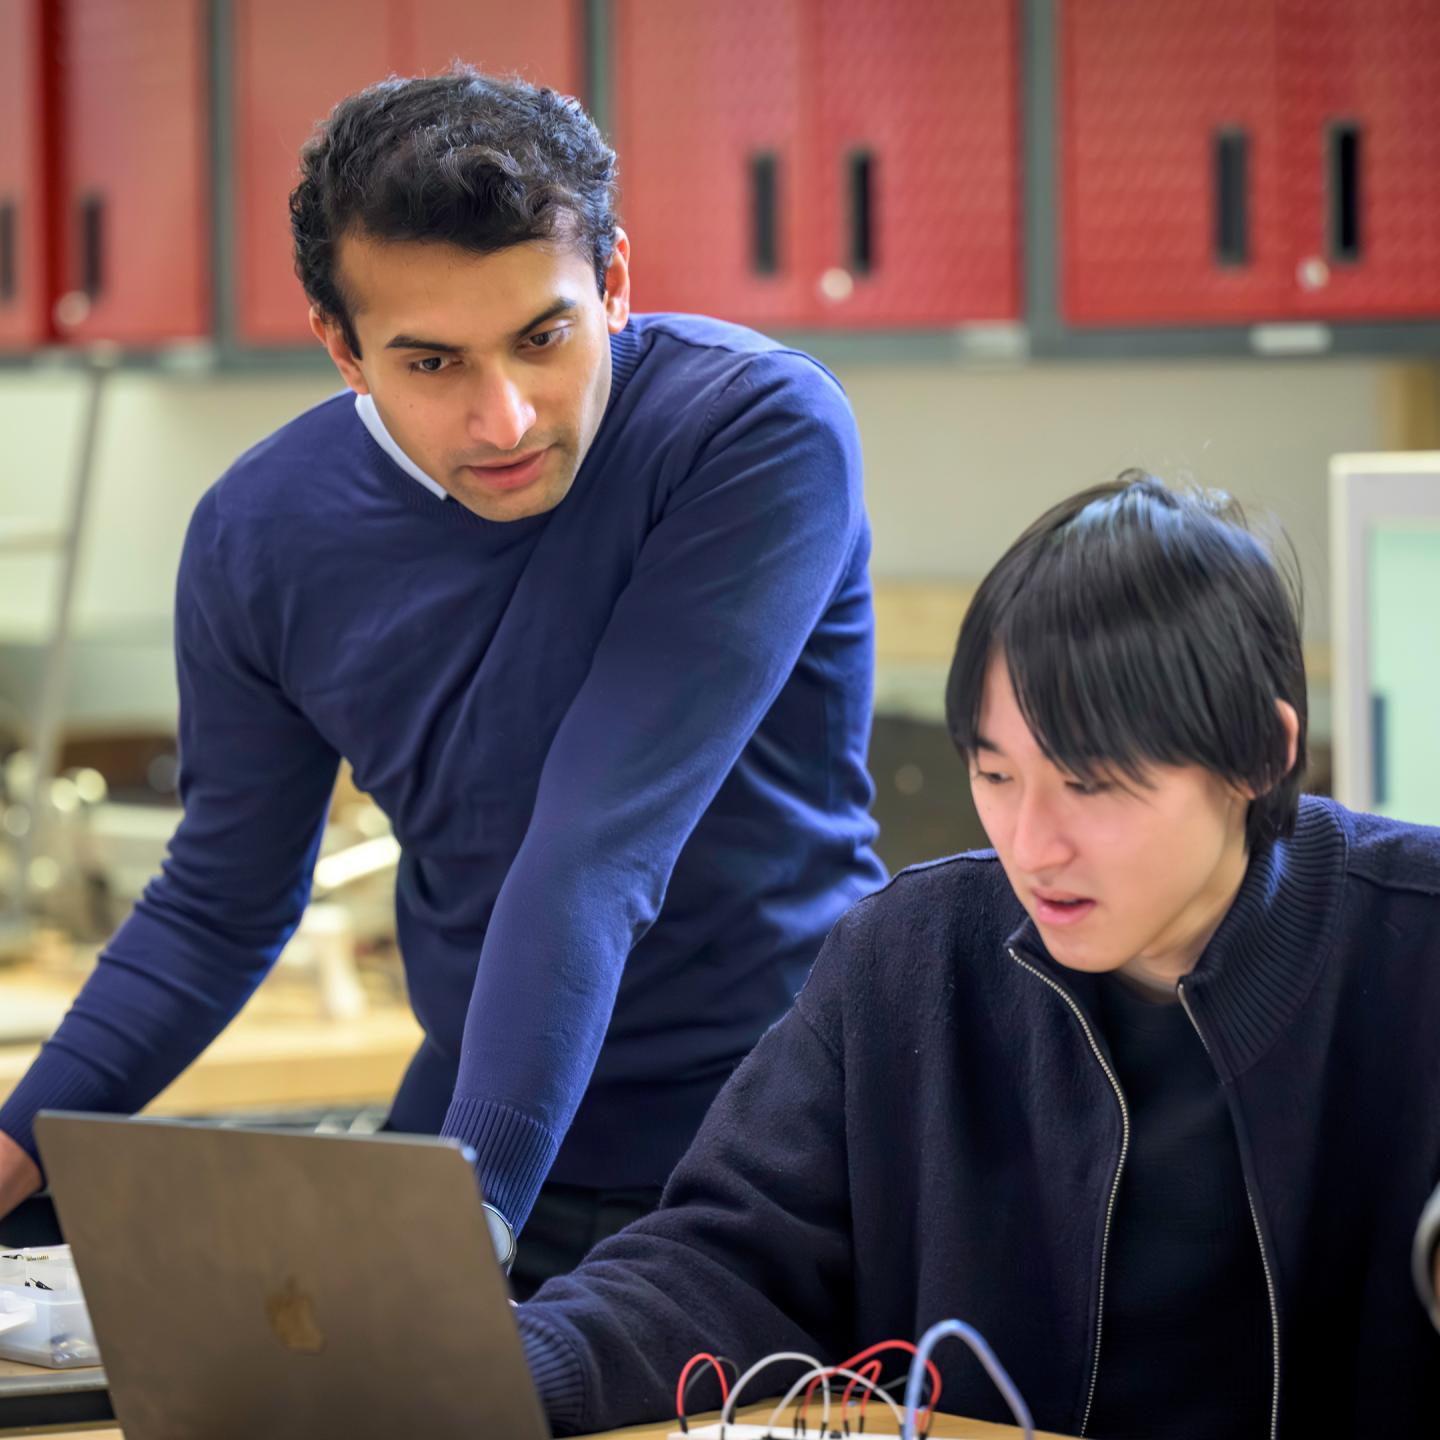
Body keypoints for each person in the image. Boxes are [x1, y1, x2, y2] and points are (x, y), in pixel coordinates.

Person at [0, 67, 885, 1294]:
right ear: (341, 348)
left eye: (544, 336)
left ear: (615, 282)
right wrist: (17, 1140)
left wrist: (460, 1232)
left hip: (780, 1147)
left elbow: (596, 852)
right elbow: (220, 902)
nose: (505, 417)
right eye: (431, 364)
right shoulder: (261, 535)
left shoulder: (752, 434)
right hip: (479, 1116)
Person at [515, 474, 1440, 1438]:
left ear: (1260, 756)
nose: (1031, 845)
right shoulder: (909, 957)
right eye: (996, 774)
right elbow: (720, 1263)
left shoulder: (1416, 948)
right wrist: (503, 1370)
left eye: (1092, 784)